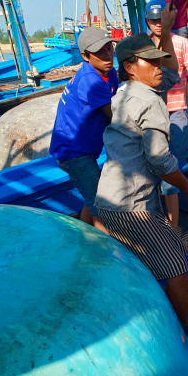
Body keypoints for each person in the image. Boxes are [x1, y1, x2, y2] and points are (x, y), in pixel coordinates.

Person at [94, 5, 188, 366]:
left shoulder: (123, 92)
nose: (159, 67)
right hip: (130, 207)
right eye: (150, 62)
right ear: (129, 66)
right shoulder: (151, 103)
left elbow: (172, 73)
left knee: (168, 245)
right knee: (174, 260)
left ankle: (160, 320)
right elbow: (160, 160)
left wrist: (166, 32)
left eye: (159, 60)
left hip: (109, 199)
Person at [144, 0, 188, 236]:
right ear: (147, 22)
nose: (157, 25)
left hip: (176, 109)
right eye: (152, 20)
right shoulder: (144, 45)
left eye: (160, 20)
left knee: (184, 151)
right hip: (153, 114)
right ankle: (171, 222)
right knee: (164, 164)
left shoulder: (181, 43)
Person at [49, 27, 118, 233]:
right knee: (101, 204)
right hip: (73, 152)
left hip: (85, 148)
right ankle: (110, 251)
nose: (108, 56)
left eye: (109, 48)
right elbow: (114, 116)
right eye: (100, 53)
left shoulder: (108, 71)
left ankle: (83, 236)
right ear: (85, 56)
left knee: (91, 198)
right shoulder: (91, 80)